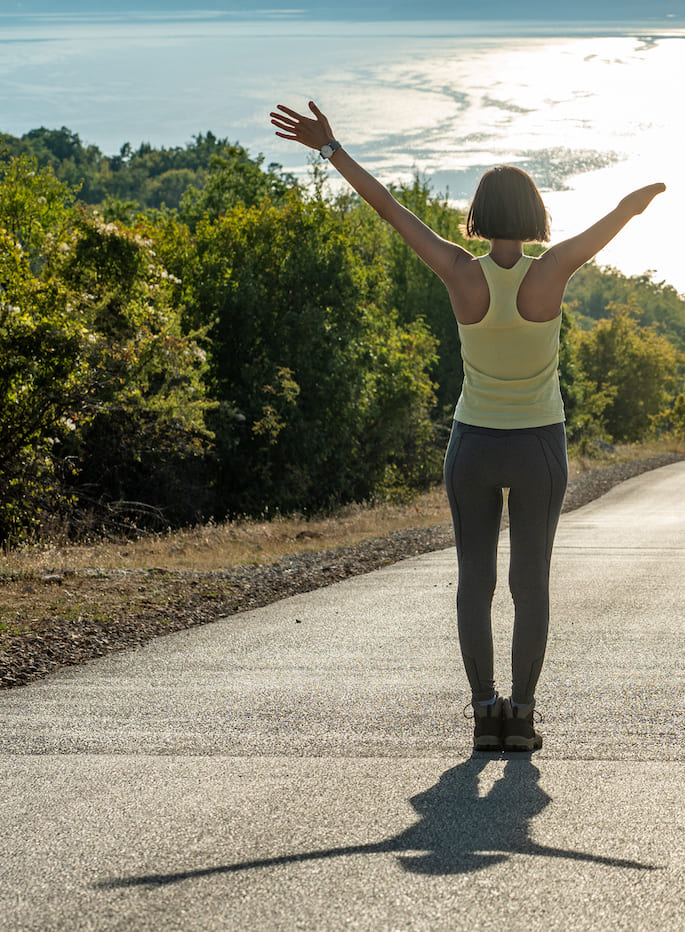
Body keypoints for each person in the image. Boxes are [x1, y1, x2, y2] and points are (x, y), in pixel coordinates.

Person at [270, 101, 664, 752]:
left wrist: (332, 149)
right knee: (529, 584)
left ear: (478, 216)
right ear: (535, 217)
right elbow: (608, 227)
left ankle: (486, 713)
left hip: (473, 445)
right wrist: (631, 205)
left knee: (476, 582)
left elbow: (390, 211)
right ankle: (523, 717)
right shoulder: (550, 273)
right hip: (538, 446)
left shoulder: (458, 270)